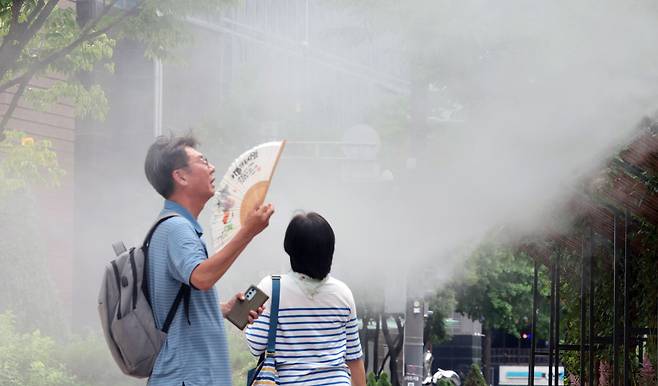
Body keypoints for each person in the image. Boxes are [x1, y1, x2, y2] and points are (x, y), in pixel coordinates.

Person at [144, 134, 274, 386]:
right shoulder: (177, 228)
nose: (212, 167)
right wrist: (248, 231)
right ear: (180, 176)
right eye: (203, 161)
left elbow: (184, 295)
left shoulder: (177, 227)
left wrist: (222, 308)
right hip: (187, 378)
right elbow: (202, 278)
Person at [245, 212, 366, 386]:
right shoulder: (343, 293)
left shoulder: (271, 288)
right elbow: (354, 359)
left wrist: (246, 322)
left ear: (289, 248)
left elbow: (255, 346)